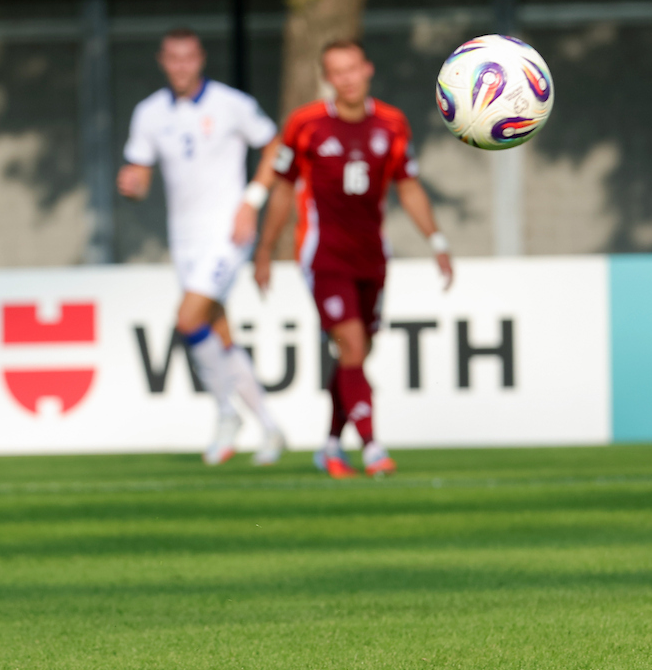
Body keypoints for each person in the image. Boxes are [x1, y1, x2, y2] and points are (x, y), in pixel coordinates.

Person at [253, 39, 453, 478]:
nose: (346, 78)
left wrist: (436, 242)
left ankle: (329, 446)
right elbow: (283, 188)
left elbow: (410, 186)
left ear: (367, 69)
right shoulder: (305, 125)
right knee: (352, 345)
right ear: (327, 79)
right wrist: (265, 250)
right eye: (336, 72)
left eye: (352, 69)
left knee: (356, 355)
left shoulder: (392, 123)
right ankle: (373, 447)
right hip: (323, 255)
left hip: (372, 256)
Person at [118, 28, 284, 466]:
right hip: (185, 238)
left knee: (188, 319)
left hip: (228, 233)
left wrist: (252, 202)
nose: (181, 66)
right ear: (162, 61)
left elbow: (276, 146)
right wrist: (132, 185)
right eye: (173, 58)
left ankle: (228, 414)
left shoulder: (232, 104)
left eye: (188, 58)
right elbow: (141, 173)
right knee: (217, 331)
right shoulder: (150, 113)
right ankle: (268, 426)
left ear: (200, 59)